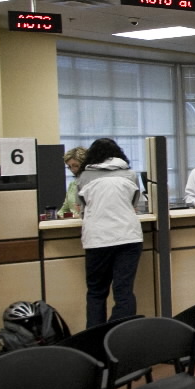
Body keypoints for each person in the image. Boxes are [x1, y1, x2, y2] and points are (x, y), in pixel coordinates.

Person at [76, 138, 142, 328]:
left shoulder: (84, 176)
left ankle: (95, 341)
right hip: (129, 237)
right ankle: (120, 338)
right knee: (124, 291)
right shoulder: (130, 174)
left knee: (96, 292)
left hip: (97, 240)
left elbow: (82, 208)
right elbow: (133, 204)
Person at [57, 146, 86, 218]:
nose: (72, 169)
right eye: (69, 167)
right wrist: (56, 215)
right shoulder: (72, 184)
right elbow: (64, 209)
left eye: (75, 165)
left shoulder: (93, 182)